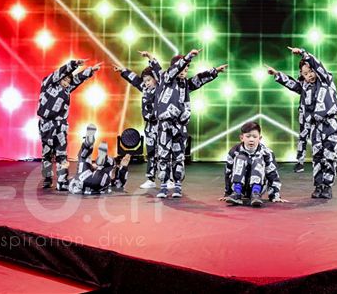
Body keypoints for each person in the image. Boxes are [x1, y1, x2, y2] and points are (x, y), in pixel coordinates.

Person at [267, 47, 337, 199]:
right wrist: (277, 74)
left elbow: (317, 65)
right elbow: (292, 84)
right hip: (315, 127)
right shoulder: (305, 88)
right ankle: (318, 186)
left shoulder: (326, 80)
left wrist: (302, 53)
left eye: (311, 71)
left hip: (330, 125)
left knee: (329, 156)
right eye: (305, 74)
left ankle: (327, 186)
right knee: (317, 157)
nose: (309, 75)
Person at [154, 49, 227, 199]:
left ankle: (177, 185)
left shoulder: (185, 85)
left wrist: (215, 71)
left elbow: (199, 79)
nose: (184, 71)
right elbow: (175, 69)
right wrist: (188, 57)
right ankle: (163, 186)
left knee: (179, 156)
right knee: (163, 155)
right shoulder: (166, 78)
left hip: (180, 127)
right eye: (182, 68)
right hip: (165, 126)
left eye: (187, 69)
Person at [38, 59, 101, 190]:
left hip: (60, 125)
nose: (66, 83)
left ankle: (62, 181)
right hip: (46, 124)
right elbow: (58, 73)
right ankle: (47, 178)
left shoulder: (66, 90)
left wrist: (90, 70)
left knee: (61, 153)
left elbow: (78, 79)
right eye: (64, 80)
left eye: (68, 81)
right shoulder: (48, 84)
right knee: (47, 153)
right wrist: (74, 64)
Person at [114, 50, 162, 189]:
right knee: (151, 152)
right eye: (145, 81)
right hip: (150, 126)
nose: (146, 83)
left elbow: (158, 71)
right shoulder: (145, 89)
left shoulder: (161, 89)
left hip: (162, 126)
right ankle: (150, 179)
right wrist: (123, 71)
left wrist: (150, 57)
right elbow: (135, 80)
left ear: (155, 79)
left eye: (149, 80)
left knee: (164, 152)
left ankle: (168, 178)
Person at [220, 121, 287, 207]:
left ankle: (255, 194)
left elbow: (272, 174)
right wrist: (227, 193)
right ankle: (236, 193)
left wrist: (275, 196)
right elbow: (228, 172)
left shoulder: (267, 153)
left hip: (259, 188)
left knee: (257, 160)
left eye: (255, 137)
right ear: (242, 138)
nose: (251, 139)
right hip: (238, 186)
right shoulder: (234, 151)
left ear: (260, 138)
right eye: (248, 136)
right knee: (240, 158)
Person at [64, 124, 130, 195]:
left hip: (81, 180)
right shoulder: (102, 175)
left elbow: (63, 184)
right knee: (106, 167)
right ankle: (104, 161)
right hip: (99, 182)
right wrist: (123, 167)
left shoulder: (75, 179)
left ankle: (87, 145)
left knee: (83, 159)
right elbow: (119, 184)